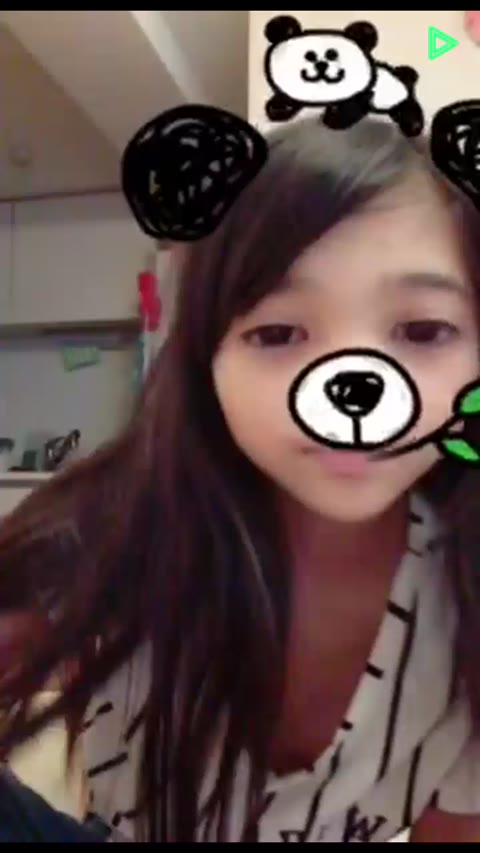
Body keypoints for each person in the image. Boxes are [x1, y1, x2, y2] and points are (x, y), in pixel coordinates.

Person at [1, 115, 480, 843]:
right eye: (279, 333)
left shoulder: (465, 587)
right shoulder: (111, 537)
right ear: (208, 363)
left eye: (423, 331)